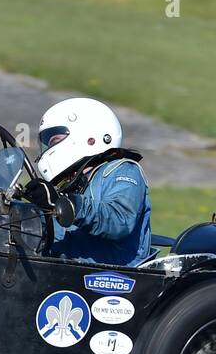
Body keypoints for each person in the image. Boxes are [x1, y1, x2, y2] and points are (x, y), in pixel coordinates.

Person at [24, 97, 152, 267]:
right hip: (71, 269)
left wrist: (65, 204)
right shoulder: (73, 184)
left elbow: (119, 221)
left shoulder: (122, 170)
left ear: (89, 135)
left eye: (55, 141)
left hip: (115, 276)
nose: (49, 149)